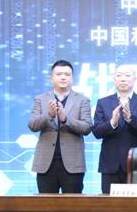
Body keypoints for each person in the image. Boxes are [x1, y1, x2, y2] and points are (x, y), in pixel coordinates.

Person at [28, 60, 92, 193]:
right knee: (46, 204)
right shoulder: (40, 99)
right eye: (59, 74)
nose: (63, 77)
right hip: (46, 163)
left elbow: (87, 128)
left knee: (73, 204)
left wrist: (66, 119)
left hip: (73, 163)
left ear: (72, 78)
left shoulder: (82, 100)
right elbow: (33, 125)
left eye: (67, 74)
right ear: (51, 78)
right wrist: (49, 115)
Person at [92, 67, 137, 194]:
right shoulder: (103, 102)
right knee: (108, 203)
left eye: (127, 75)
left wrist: (130, 119)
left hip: (135, 164)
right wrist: (112, 123)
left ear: (135, 79)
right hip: (110, 164)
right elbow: (96, 132)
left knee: (135, 203)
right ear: (114, 79)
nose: (123, 79)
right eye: (119, 75)